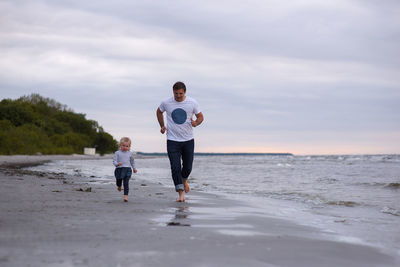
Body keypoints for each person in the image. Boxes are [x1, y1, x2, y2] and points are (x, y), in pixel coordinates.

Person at [156, 81, 204, 202]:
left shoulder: (192, 103)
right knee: (175, 167)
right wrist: (162, 125)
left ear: (185, 92)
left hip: (188, 140)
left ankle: (184, 180)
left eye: (180, 93)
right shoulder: (166, 102)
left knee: (188, 167)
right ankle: (181, 194)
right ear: (173, 92)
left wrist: (196, 123)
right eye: (176, 93)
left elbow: (200, 117)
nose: (178, 96)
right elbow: (158, 111)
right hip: (172, 140)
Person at [113, 137, 137, 202]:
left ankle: (125, 196)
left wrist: (134, 168)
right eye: (123, 145)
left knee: (126, 183)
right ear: (120, 145)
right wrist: (117, 164)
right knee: (119, 181)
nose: (125, 147)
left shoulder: (130, 153)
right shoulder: (117, 153)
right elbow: (114, 161)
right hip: (119, 169)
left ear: (129, 147)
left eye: (127, 146)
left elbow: (132, 162)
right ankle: (119, 185)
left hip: (128, 170)